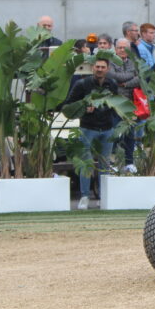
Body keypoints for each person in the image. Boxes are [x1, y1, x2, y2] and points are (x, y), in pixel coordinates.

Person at [65, 56, 119, 209]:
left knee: (105, 164)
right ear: (93, 67)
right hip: (88, 128)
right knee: (86, 163)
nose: (100, 69)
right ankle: (84, 196)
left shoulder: (112, 84)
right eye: (97, 67)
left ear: (107, 69)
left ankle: (103, 197)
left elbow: (116, 103)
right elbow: (68, 104)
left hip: (107, 128)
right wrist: (83, 108)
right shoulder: (82, 84)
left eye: (103, 67)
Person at [108, 38, 141, 173]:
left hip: (131, 104)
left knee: (129, 134)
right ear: (115, 49)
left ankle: (129, 162)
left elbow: (140, 78)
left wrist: (126, 83)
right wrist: (130, 76)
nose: (122, 50)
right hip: (115, 104)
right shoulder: (110, 62)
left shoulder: (134, 62)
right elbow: (113, 77)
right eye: (119, 48)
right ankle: (113, 161)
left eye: (124, 47)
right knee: (115, 134)